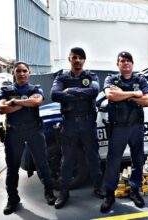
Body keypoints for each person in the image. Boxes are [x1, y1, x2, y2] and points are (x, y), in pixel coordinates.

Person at [0, 61, 56, 215]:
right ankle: (12, 199)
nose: (22, 73)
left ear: (29, 73)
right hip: (13, 133)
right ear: (14, 73)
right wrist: (26, 103)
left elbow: (37, 102)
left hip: (33, 131)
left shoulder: (35, 89)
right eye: (19, 71)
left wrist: (15, 102)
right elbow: (2, 109)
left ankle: (49, 193)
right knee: (12, 168)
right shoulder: (6, 89)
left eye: (24, 71)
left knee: (43, 164)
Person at [50, 47, 105, 209]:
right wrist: (82, 93)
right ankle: (64, 193)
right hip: (70, 124)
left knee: (93, 157)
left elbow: (94, 91)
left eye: (81, 58)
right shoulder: (61, 77)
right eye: (75, 57)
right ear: (69, 59)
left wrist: (71, 91)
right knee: (67, 160)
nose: (78, 60)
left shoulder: (91, 76)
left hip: (88, 124)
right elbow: (55, 94)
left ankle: (98, 187)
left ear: (84, 60)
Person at [100, 51, 148, 213]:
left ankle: (135, 191)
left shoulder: (140, 79)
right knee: (113, 162)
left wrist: (122, 94)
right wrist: (134, 94)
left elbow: (147, 100)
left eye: (128, 61)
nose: (126, 63)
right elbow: (110, 96)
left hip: (136, 127)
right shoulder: (111, 79)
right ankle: (110, 195)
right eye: (122, 61)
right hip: (118, 128)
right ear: (118, 64)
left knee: (137, 160)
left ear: (133, 64)